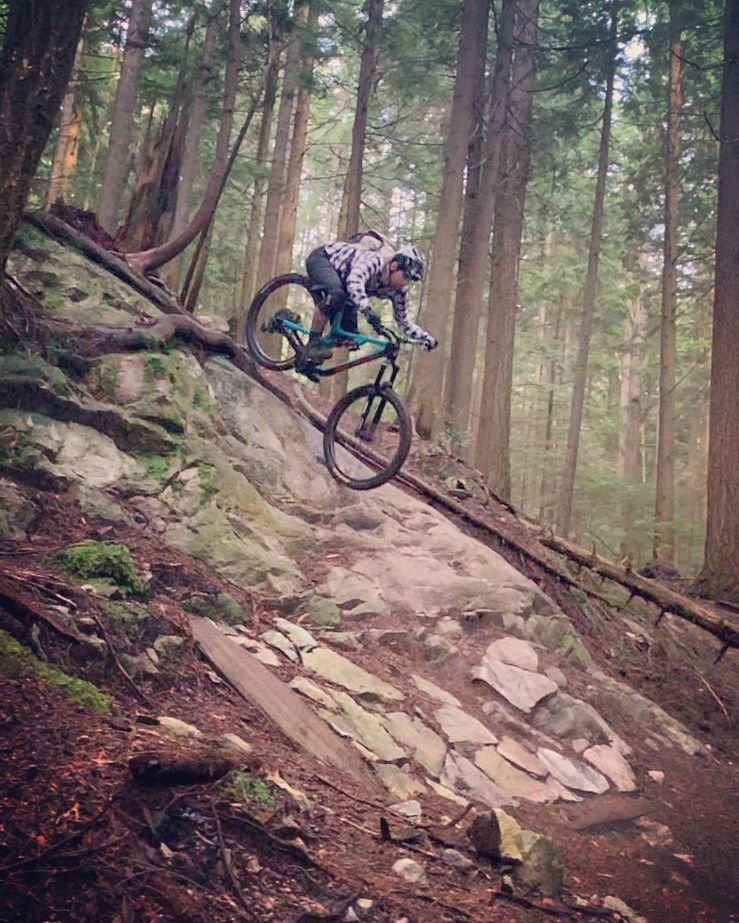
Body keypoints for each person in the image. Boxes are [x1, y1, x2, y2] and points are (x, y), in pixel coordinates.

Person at [299, 230, 437, 366]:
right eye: (405, 276)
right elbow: (354, 281)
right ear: (394, 266)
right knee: (336, 294)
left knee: (348, 334)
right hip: (323, 259)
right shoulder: (376, 261)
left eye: (410, 280)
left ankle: (306, 363)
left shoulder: (399, 292)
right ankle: (313, 342)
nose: (405, 282)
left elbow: (404, 321)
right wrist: (367, 310)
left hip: (344, 282)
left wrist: (425, 338)